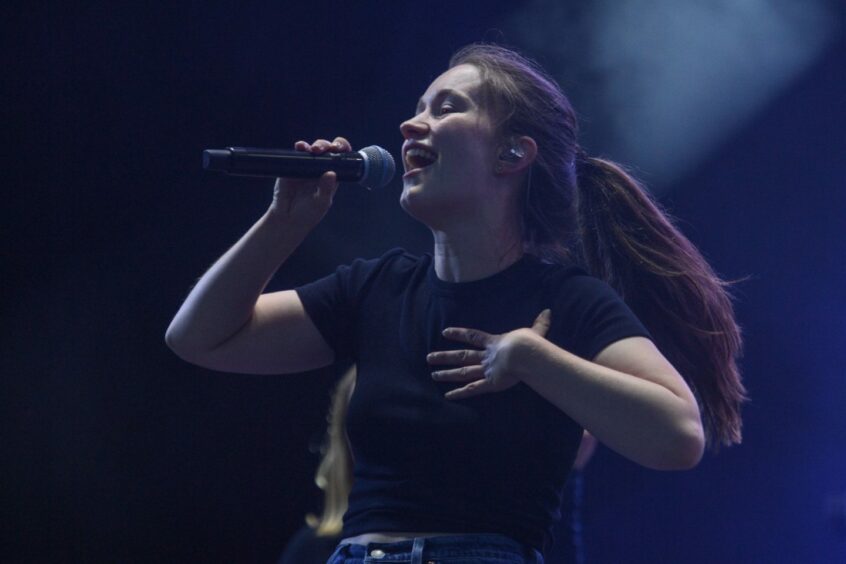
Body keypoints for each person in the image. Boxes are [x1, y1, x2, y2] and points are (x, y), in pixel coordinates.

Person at [166, 43, 746, 563]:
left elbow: (679, 433)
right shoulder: (376, 288)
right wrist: (281, 224)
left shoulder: (565, 301)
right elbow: (199, 337)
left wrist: (530, 358)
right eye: (419, 107)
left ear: (512, 155)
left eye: (446, 108)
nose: (410, 124)